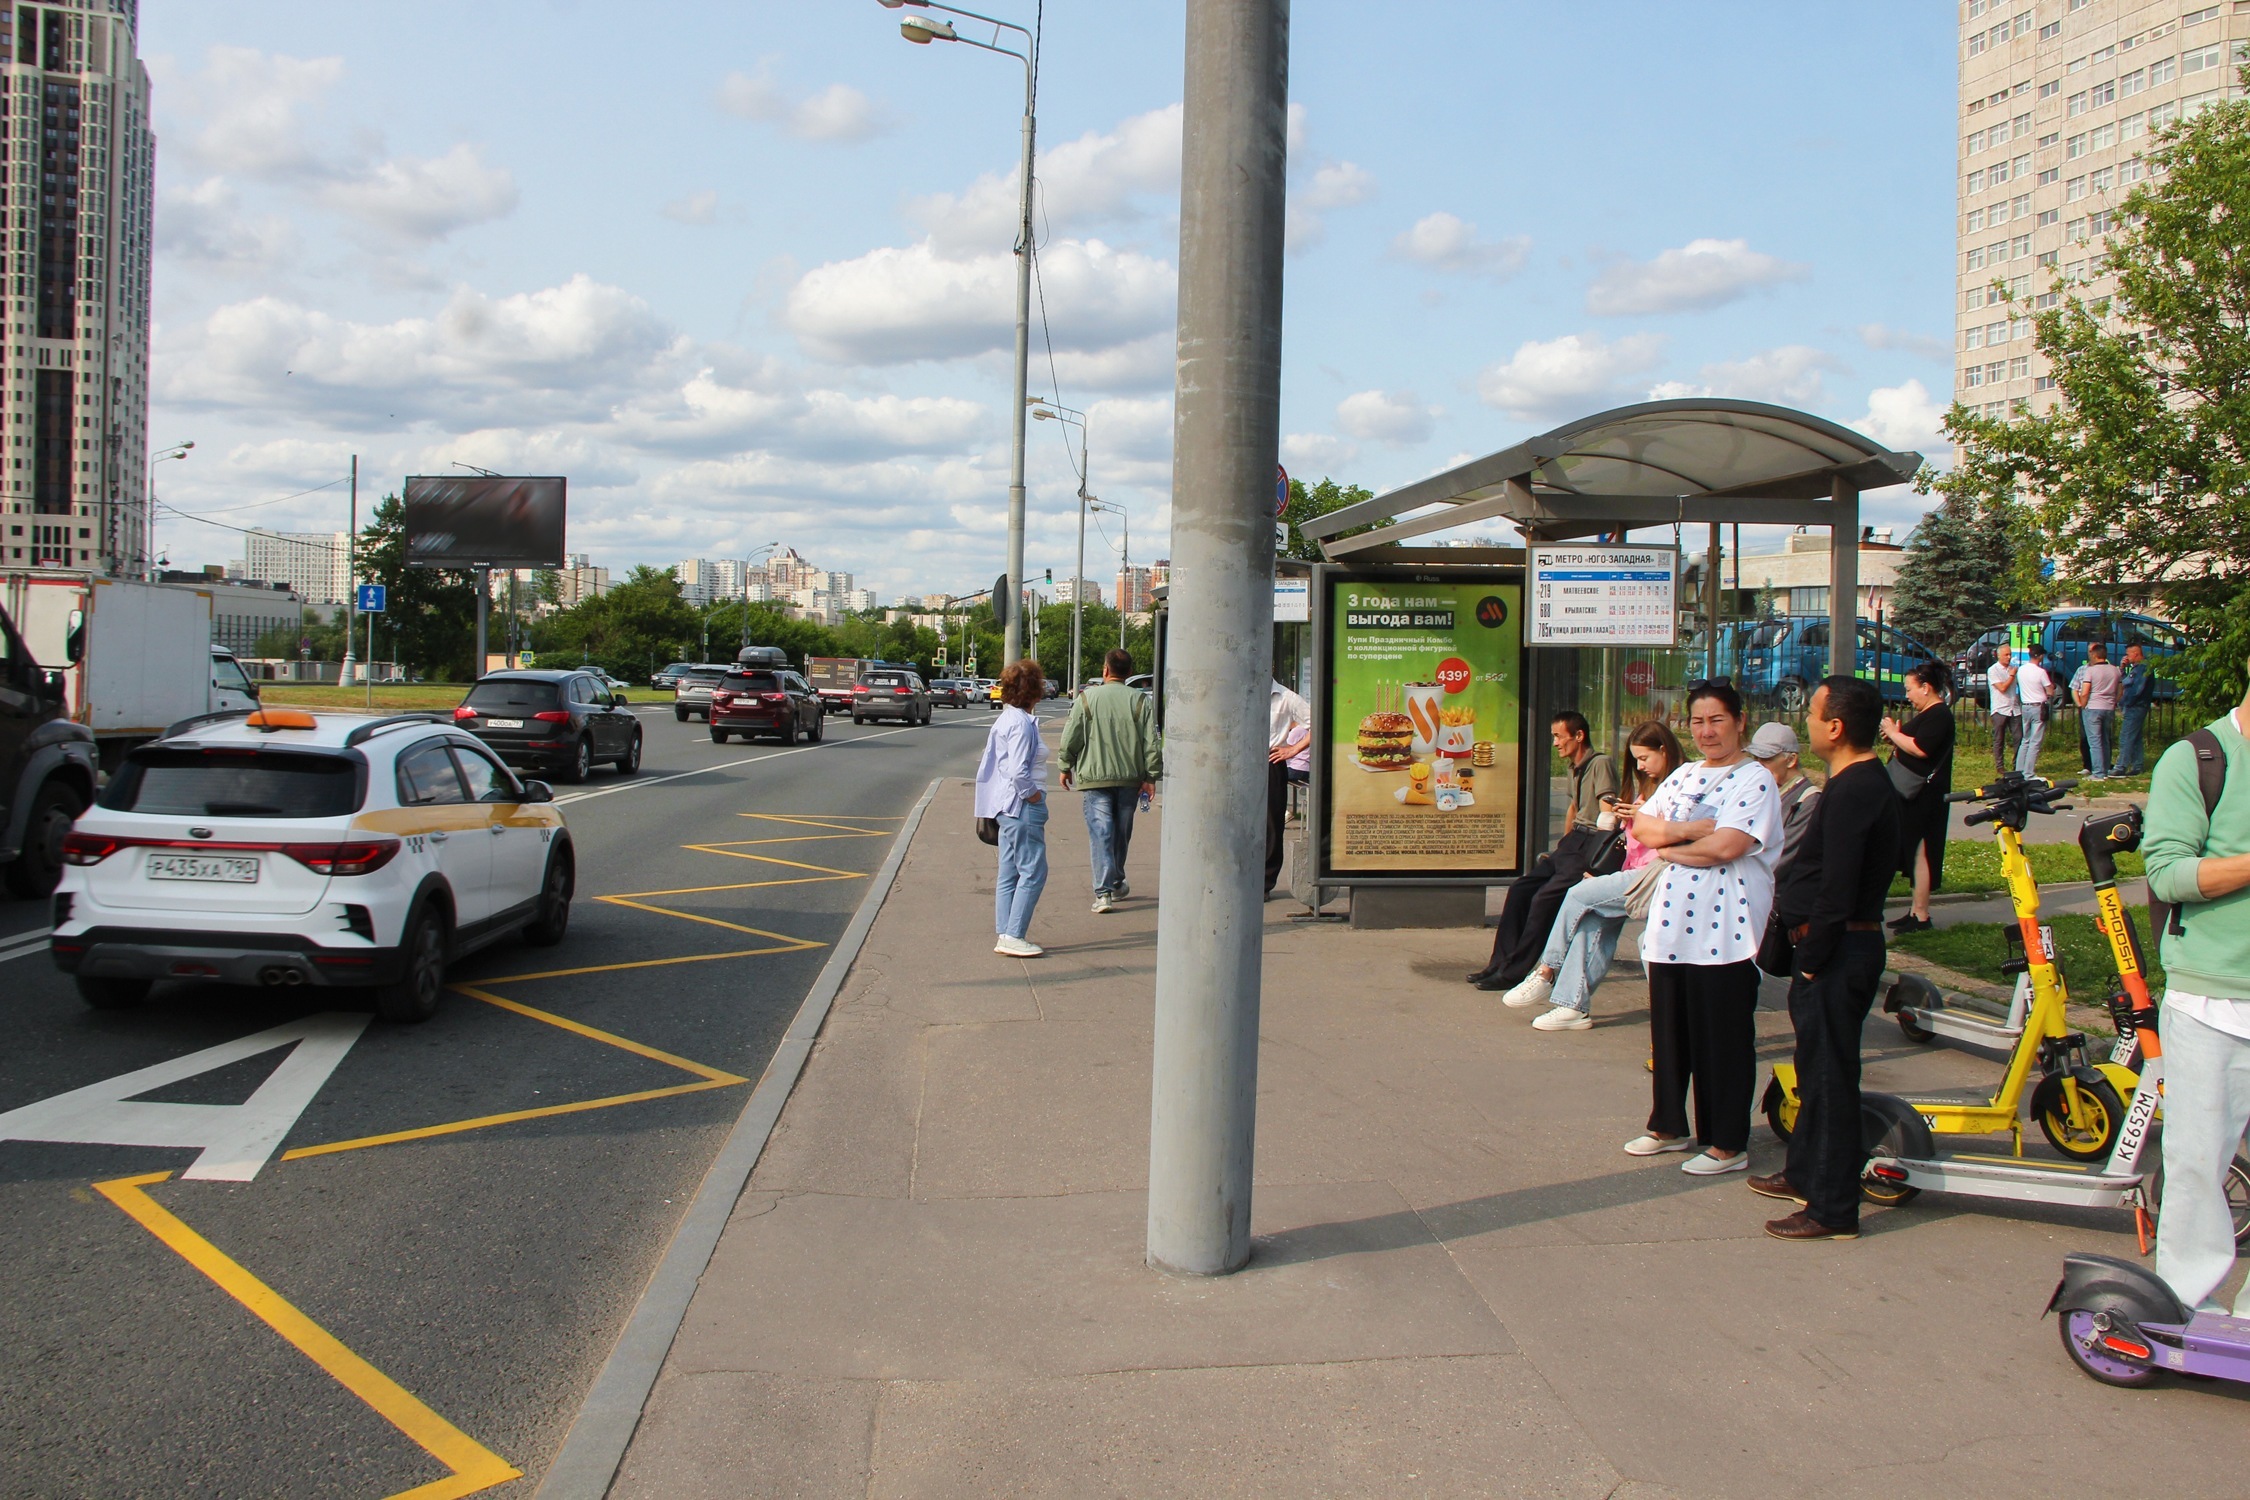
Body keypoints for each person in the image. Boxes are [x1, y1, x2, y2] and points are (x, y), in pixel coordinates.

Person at [1752, 676, 1903, 1241]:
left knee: (1831, 1078)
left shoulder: (1857, 786)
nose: (1807, 721)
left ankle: (1833, 1207)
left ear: (1835, 727)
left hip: (1838, 950)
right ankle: (1803, 1174)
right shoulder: (1853, 782)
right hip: (1830, 948)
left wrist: (1813, 958)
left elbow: (1838, 886)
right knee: (1814, 1074)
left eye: (1812, 713)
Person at [1624, 681, 1781, 1175]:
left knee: (1723, 1037)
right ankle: (1668, 1124)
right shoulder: (1685, 774)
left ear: (1740, 721)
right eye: (1697, 721)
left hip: (1726, 928)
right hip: (1672, 927)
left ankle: (1726, 1142)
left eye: (1717, 720)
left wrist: (1668, 846)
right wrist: (1689, 832)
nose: (1707, 731)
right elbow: (1643, 828)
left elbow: (1729, 847)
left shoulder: (1754, 780)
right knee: (1671, 1032)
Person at [2145, 658, 2250, 1316]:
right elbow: (2168, 874)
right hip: (2212, 997)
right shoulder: (2199, 758)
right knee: (2195, 1163)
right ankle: (2185, 1300)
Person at [1504, 720, 1684, 1031]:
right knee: (1594, 922)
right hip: (1634, 867)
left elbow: (1665, 833)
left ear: (1664, 751)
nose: (1641, 767)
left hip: (1656, 872)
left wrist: (1638, 819)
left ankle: (1547, 969)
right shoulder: (1652, 785)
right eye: (1637, 760)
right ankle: (1572, 1005)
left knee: (1578, 895)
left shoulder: (1680, 782)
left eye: (1645, 758)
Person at [1470, 711, 1620, 990]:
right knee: (1520, 890)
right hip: (1573, 842)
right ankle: (1497, 963)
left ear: (1579, 736)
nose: (1555, 743)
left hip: (1590, 843)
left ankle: (1514, 971)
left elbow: (1608, 810)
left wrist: (1596, 861)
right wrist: (1561, 848)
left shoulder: (1600, 764)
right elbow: (1574, 808)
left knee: (1543, 900)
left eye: (1558, 736)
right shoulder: (1574, 767)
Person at [1058, 648, 1162, 913]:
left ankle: (1105, 891)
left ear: (1105, 670)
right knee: (1120, 834)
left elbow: (1072, 736)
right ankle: (1114, 882)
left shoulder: (1086, 699)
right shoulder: (1140, 701)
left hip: (1094, 778)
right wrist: (1151, 777)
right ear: (1129, 673)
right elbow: (1151, 742)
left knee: (1101, 833)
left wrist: (1065, 765)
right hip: (1130, 778)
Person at [975, 659, 1051, 957]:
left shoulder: (1006, 719)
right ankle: (1014, 935)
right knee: (1034, 871)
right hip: (1022, 806)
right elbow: (1019, 772)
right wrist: (1033, 796)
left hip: (1005, 806)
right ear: (1033, 690)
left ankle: (1005, 932)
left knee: (1009, 871)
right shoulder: (1021, 724)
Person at [1881, 661, 1956, 935]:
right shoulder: (1930, 714)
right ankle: (1915, 910)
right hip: (1912, 794)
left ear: (1926, 688)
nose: (1908, 694)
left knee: (1922, 851)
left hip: (1924, 796)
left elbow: (1921, 749)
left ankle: (1921, 915)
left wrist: (1893, 733)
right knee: (1913, 852)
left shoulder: (1939, 715)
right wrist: (1897, 737)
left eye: (1910, 689)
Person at [1749, 722, 1819, 870]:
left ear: (1791, 760)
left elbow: (1781, 858)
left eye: (1766, 759)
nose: (1758, 765)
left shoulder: (1809, 801)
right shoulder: (1760, 792)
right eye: (1755, 758)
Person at [1265, 677, 1312, 898]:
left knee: (1272, 823)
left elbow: (1317, 721)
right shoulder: (1242, 690)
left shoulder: (1286, 697)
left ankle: (1264, 883)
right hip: (1243, 760)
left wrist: (1292, 749)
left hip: (1271, 760)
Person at [2073, 641, 2122, 781]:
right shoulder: (2115, 670)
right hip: (2108, 707)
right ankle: (2106, 768)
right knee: (2105, 739)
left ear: (2094, 655)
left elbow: (2085, 691)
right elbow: (2120, 690)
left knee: (2094, 741)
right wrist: (2114, 701)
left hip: (2093, 707)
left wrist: (2083, 704)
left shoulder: (2090, 671)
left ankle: (2098, 772)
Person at [2014, 643, 2054, 779]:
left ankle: (2019, 770)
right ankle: (2029, 773)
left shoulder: (2021, 670)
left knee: (2025, 740)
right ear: (2040, 656)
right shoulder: (2041, 672)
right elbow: (2050, 690)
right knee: (2035, 741)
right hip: (2038, 706)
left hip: (2025, 705)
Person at [2117, 642, 2157, 777]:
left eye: (2128, 654)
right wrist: (2122, 669)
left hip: (2136, 706)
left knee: (2126, 736)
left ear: (2135, 654)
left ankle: (2121, 766)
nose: (2127, 657)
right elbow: (2124, 683)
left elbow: (2137, 690)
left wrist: (2126, 703)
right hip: (2134, 705)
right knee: (2135, 737)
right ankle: (2137, 765)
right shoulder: (2135, 669)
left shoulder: (2143, 669)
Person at [1988, 641, 2022, 777]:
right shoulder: (1993, 670)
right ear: (1998, 655)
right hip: (2000, 708)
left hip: (2014, 708)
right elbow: (2002, 688)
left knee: (2018, 737)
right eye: (2006, 655)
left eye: (2010, 654)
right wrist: (2012, 676)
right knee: (1999, 738)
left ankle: (2017, 764)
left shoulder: (2013, 668)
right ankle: (2000, 765)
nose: (2009, 657)